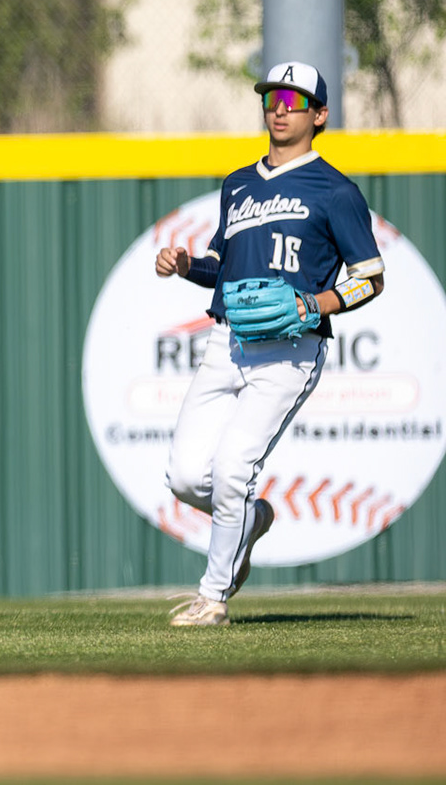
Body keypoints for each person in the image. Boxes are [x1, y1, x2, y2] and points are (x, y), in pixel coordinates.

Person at [154, 61, 384, 626]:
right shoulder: (238, 184)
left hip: (290, 348)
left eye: (293, 100)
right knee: (185, 477)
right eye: (271, 99)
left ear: (319, 114)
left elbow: (370, 277)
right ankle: (251, 520)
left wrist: (314, 305)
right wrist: (186, 265)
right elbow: (222, 266)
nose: (279, 109)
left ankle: (213, 597)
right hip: (227, 341)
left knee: (233, 467)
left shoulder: (335, 191)